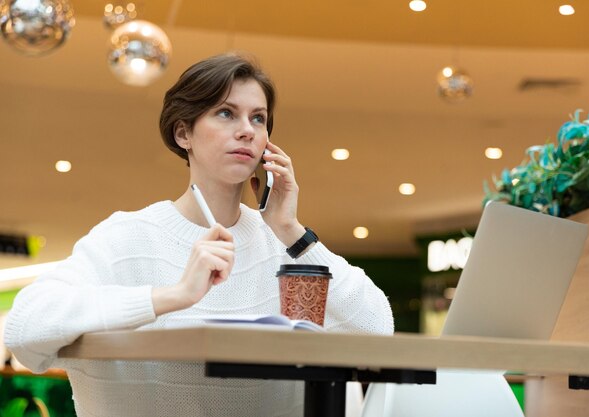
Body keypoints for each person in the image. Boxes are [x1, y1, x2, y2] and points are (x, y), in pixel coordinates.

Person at [4, 53, 394, 417]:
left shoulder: (283, 243)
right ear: (182, 134)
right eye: (226, 113)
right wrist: (172, 296)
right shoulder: (127, 236)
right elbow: (25, 329)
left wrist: (291, 230)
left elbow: (378, 331)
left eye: (258, 119)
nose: (247, 131)